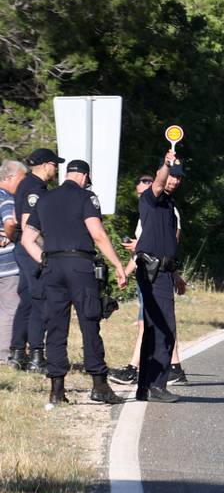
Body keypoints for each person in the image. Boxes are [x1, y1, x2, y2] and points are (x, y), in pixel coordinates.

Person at [20, 160, 127, 405]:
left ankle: (57, 391)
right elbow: (98, 234)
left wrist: (44, 261)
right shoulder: (86, 197)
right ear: (85, 176)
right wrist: (118, 264)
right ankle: (99, 386)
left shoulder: (45, 199)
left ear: (67, 174)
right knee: (90, 322)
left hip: (52, 266)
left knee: (56, 328)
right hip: (79, 266)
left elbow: (27, 239)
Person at [110, 173, 188, 386]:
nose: (142, 198)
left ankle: (136, 369)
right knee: (155, 322)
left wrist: (127, 268)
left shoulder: (167, 209)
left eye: (144, 193)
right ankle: (174, 367)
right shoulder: (151, 212)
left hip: (155, 272)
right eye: (139, 195)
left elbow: (165, 246)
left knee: (151, 323)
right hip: (150, 270)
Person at [133, 151, 187, 403]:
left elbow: (167, 243)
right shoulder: (150, 197)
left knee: (155, 330)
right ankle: (157, 385)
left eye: (178, 177)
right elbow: (157, 182)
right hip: (152, 271)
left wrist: (175, 273)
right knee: (165, 329)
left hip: (163, 271)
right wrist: (166, 163)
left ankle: (146, 387)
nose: (174, 181)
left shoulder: (169, 204)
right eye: (171, 176)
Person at [8, 148, 63, 372]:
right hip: (31, 250)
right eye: (55, 164)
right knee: (40, 300)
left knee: (28, 300)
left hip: (23, 248)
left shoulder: (29, 185)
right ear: (45, 164)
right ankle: (36, 356)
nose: (56, 169)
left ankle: (18, 352)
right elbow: (28, 223)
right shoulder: (34, 188)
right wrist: (45, 249)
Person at [0, 160, 27, 361]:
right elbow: (10, 222)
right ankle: (5, 354)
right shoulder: (7, 198)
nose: (23, 183)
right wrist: (12, 236)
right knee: (11, 309)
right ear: (8, 178)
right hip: (7, 266)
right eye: (21, 178)